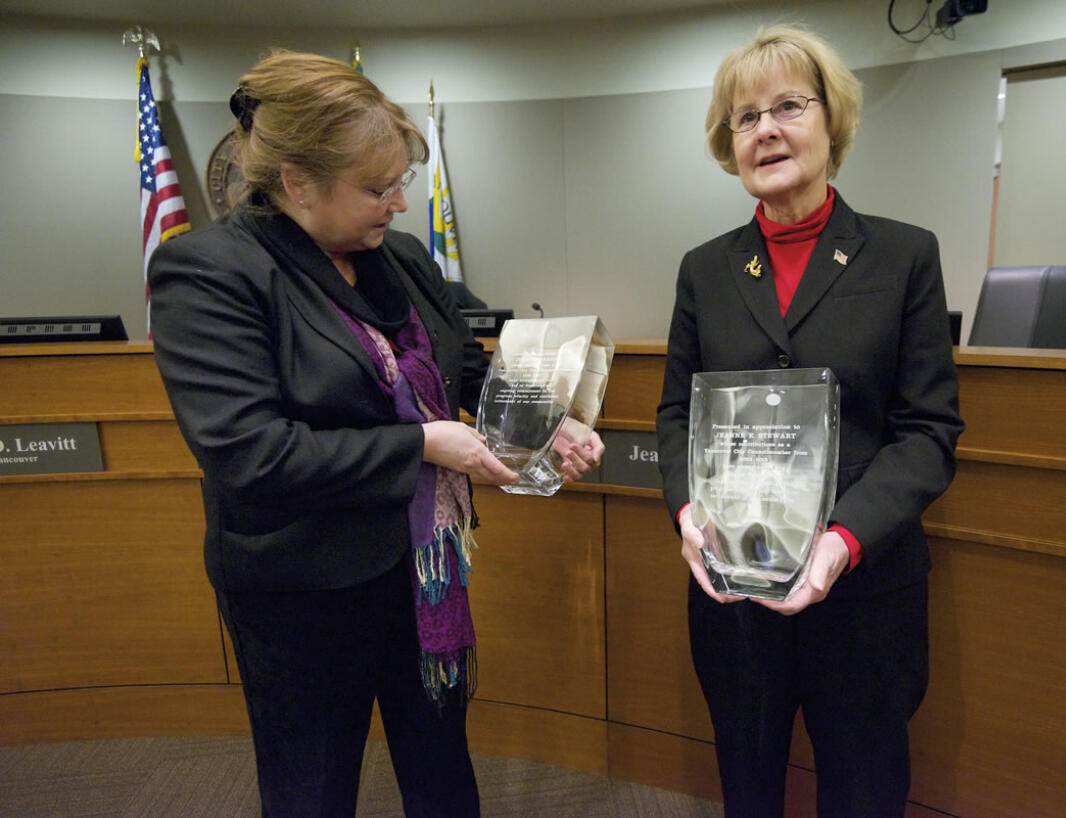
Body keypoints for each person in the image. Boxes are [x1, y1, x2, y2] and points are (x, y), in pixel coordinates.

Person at [149, 51, 602, 817]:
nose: (396, 203)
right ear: (297, 182)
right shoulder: (209, 272)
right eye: (374, 188)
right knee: (314, 784)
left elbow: (461, 371)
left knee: (440, 762)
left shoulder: (401, 257)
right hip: (302, 590)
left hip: (421, 570)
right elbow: (249, 455)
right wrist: (423, 446)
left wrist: (544, 426)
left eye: (401, 182)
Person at [655, 26, 963, 818]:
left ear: (832, 123)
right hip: (736, 588)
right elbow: (675, 414)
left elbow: (928, 430)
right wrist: (688, 512)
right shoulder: (704, 268)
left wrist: (842, 541)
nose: (766, 129)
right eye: (744, 116)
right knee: (748, 785)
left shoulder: (904, 257)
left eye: (788, 106)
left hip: (862, 587)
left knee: (863, 789)